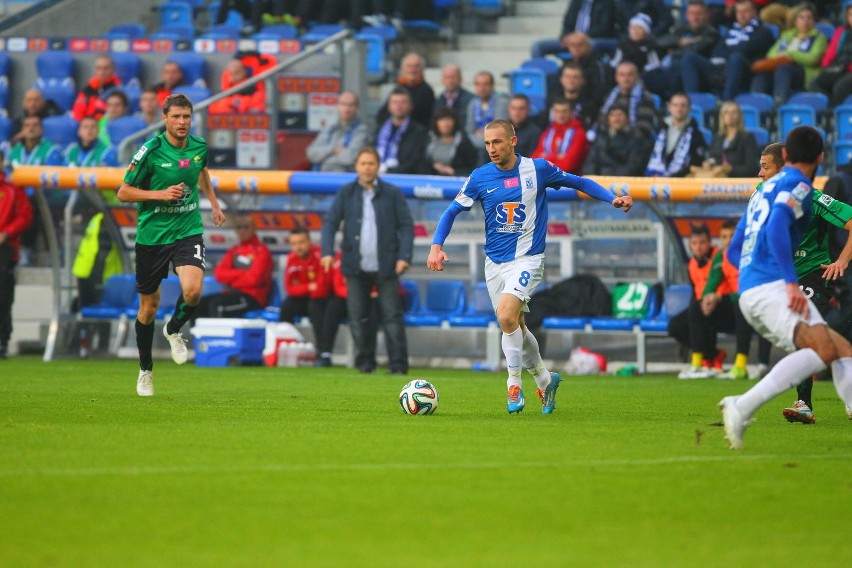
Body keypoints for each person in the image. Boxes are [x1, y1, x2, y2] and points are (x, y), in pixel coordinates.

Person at [427, 119, 633, 414]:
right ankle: (545, 380)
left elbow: (579, 182)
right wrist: (436, 245)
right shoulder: (479, 177)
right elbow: (451, 211)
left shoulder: (538, 169)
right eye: (487, 143)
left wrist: (612, 198)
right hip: (495, 264)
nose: (491, 149)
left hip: (528, 258)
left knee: (506, 315)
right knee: (516, 326)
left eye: (497, 142)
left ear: (513, 141)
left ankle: (513, 385)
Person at [721, 125, 852, 449]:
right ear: (821, 157)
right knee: (818, 349)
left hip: (755, 286)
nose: (760, 171)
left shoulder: (760, 192)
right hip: (775, 286)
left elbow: (734, 249)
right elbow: (779, 223)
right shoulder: (798, 186)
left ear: (786, 156)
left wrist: (753, 276)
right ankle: (742, 405)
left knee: (839, 348)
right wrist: (788, 282)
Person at [117, 94, 226, 397]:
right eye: (176, 117)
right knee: (148, 307)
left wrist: (214, 205)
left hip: (187, 229)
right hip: (152, 236)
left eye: (186, 117)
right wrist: (160, 195)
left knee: (192, 291)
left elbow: (201, 171)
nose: (181, 122)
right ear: (164, 118)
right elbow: (123, 193)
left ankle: (174, 329)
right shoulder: (149, 151)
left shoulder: (199, 146)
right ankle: (145, 370)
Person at [320, 147, 413, 374]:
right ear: (356, 166)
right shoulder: (346, 193)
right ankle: (365, 363)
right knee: (357, 317)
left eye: (371, 163)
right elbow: (330, 222)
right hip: (354, 265)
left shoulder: (393, 193)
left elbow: (406, 226)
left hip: (387, 265)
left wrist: (404, 256)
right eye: (363, 163)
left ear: (378, 166)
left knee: (392, 316)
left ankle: (398, 365)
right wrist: (327, 251)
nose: (367, 167)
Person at [670, 223, 735, 378]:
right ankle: (711, 355)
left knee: (700, 314)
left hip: (724, 304)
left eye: (702, 243)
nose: (698, 247)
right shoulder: (692, 264)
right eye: (694, 243)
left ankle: (701, 361)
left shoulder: (719, 257)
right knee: (675, 326)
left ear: (710, 243)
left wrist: (713, 299)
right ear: (690, 246)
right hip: (702, 305)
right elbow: (695, 290)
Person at [684, 0, 775, 101]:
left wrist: (729, 51)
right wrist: (729, 52)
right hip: (722, 68)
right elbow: (718, 51)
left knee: (736, 58)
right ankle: (691, 101)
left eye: (746, 11)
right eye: (738, 12)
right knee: (689, 58)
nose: (742, 15)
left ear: (754, 13)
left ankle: (726, 101)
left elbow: (745, 49)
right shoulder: (731, 30)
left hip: (746, 70)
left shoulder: (763, 31)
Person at [194, 213, 273, 320]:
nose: (242, 231)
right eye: (239, 227)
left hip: (252, 297)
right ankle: (199, 336)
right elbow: (219, 274)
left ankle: (219, 337)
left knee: (217, 306)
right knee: (196, 305)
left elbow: (254, 279)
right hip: (231, 294)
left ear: (254, 228)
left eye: (246, 227)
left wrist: (231, 279)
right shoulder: (234, 250)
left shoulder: (262, 252)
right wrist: (242, 273)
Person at [750, 2, 826, 103]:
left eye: (809, 18)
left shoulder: (819, 37)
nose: (805, 21)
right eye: (801, 18)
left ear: (814, 21)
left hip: (803, 72)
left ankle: (779, 102)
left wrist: (790, 55)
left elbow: (812, 59)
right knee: (762, 75)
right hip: (779, 69)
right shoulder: (786, 35)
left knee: (784, 69)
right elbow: (770, 54)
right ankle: (757, 104)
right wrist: (782, 57)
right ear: (795, 20)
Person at [648, 0, 720, 99]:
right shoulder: (681, 30)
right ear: (686, 15)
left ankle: (691, 101)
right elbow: (659, 42)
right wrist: (679, 42)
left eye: (699, 13)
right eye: (692, 13)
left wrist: (674, 50)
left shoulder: (711, 33)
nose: (695, 17)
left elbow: (695, 50)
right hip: (675, 69)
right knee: (647, 76)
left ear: (706, 15)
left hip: (698, 74)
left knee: (687, 59)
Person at [0, 150, 33, 359]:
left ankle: (2, 341)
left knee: (3, 296)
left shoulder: (12, 189)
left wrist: (6, 233)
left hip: (5, 248)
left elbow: (25, 215)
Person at [279, 227, 330, 355]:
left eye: (301, 242)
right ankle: (287, 347)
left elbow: (321, 288)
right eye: (294, 244)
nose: (298, 247)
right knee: (286, 306)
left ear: (310, 242)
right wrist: (308, 287)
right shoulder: (291, 259)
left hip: (322, 300)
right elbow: (289, 289)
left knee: (315, 306)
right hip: (303, 298)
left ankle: (322, 351)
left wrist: (302, 288)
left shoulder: (320, 256)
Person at [690, 101, 760, 178]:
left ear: (739, 116)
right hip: (717, 174)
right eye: (726, 112)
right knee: (692, 172)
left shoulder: (747, 137)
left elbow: (751, 168)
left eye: (733, 112)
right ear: (722, 116)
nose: (730, 116)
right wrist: (709, 163)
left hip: (737, 179)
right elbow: (712, 158)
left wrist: (730, 169)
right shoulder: (717, 137)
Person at [645, 92, 707, 177]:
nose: (679, 109)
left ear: (689, 109)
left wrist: (670, 178)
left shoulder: (696, 135)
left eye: (683, 105)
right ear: (669, 108)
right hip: (653, 179)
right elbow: (648, 153)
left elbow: (695, 163)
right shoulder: (658, 130)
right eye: (675, 105)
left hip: (681, 183)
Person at [593, 61, 659, 141]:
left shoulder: (645, 98)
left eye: (630, 75)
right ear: (616, 78)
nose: (626, 79)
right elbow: (601, 120)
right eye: (622, 75)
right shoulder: (609, 97)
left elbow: (644, 128)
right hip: (609, 141)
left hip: (634, 143)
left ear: (637, 77)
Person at [305, 91, 368, 172]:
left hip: (346, 178)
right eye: (343, 104)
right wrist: (332, 149)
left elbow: (350, 158)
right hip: (321, 178)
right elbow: (311, 153)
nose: (347, 108)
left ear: (357, 108)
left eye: (351, 105)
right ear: (337, 106)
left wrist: (323, 158)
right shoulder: (329, 129)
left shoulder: (361, 130)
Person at [584, 104, 653, 176]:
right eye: (612, 115)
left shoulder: (637, 139)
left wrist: (611, 178)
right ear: (608, 119)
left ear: (627, 118)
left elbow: (634, 167)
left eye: (620, 115)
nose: (616, 119)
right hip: (600, 181)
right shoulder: (600, 139)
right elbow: (590, 163)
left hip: (624, 183)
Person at [373, 87, 428, 175]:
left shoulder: (419, 131)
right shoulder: (380, 129)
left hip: (404, 178)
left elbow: (414, 162)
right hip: (376, 173)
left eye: (403, 102)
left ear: (410, 106)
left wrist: (387, 171)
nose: (399, 106)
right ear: (389, 106)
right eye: (395, 102)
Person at [375, 53, 435, 128]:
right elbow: (382, 115)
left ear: (422, 69)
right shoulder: (398, 88)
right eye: (409, 66)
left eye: (416, 66)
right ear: (403, 69)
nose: (412, 70)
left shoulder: (426, 91)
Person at [531, 99, 589, 175]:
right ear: (553, 113)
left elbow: (568, 165)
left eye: (564, 111)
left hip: (571, 181)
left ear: (571, 112)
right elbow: (534, 161)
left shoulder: (579, 134)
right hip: (548, 179)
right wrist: (558, 157)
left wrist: (546, 156)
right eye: (557, 111)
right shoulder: (547, 132)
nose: (560, 115)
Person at [810, 2, 852, 107]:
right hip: (838, 67)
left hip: (849, 71)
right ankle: (831, 111)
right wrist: (826, 67)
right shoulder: (841, 32)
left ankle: (838, 115)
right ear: (846, 17)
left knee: (840, 86)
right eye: (851, 15)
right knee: (815, 83)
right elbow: (831, 53)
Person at [423, 107, 478, 177]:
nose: (445, 124)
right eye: (441, 120)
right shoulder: (429, 140)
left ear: (455, 122)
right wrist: (433, 166)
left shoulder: (464, 143)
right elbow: (421, 163)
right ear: (436, 123)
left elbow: (473, 168)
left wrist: (453, 171)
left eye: (449, 119)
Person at [464, 71, 510, 152]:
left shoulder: (502, 102)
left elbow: (498, 131)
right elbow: (469, 130)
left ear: (492, 86)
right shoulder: (472, 103)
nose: (482, 88)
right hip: (475, 147)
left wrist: (480, 135)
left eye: (485, 84)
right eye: (478, 84)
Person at [547, 62, 599, 130]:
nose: (571, 80)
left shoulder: (589, 106)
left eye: (575, 77)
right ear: (561, 80)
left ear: (583, 81)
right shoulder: (552, 102)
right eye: (568, 77)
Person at [72, 55, 121, 122]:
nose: (102, 72)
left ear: (113, 69)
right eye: (99, 68)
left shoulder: (119, 90)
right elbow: (77, 115)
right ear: (94, 70)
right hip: (89, 127)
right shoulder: (87, 91)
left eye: (106, 68)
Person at [433, 64, 474, 131]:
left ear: (461, 79)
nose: (450, 81)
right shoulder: (438, 101)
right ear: (442, 80)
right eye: (447, 77)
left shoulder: (471, 100)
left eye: (453, 77)